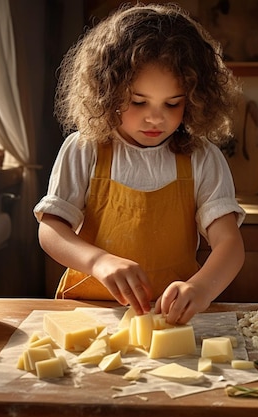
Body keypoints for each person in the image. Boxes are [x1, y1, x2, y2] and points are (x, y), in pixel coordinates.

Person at [34, 3, 245, 325]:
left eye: (172, 103)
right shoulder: (85, 148)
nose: (155, 117)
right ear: (106, 91)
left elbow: (229, 244)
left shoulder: (201, 157)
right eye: (138, 101)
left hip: (170, 317)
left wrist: (201, 289)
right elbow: (51, 230)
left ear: (195, 99)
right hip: (90, 313)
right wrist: (99, 261)